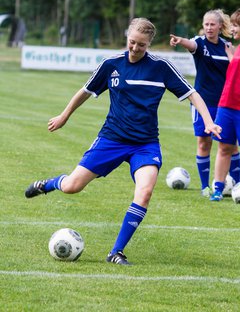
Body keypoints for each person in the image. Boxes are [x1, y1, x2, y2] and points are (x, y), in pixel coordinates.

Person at [25, 18, 222, 265]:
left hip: (145, 144)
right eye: (132, 42)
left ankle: (115, 252)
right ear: (126, 38)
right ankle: (50, 184)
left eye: (141, 44)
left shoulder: (161, 67)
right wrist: (64, 115)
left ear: (149, 43)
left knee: (145, 191)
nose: (135, 48)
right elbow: (85, 91)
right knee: (72, 186)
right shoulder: (111, 64)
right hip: (112, 139)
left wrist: (208, 121)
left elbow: (192, 94)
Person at [170, 9, 240, 197]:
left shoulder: (227, 46)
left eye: (212, 24)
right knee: (204, 143)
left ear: (219, 26)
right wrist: (180, 40)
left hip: (225, 104)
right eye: (206, 24)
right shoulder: (200, 43)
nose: (209, 28)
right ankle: (205, 187)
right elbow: (190, 44)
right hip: (202, 102)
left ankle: (237, 185)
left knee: (230, 146)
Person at [211, 8, 240, 201]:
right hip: (226, 105)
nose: (233, 29)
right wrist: (231, 58)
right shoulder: (237, 48)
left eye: (237, 25)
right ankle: (218, 189)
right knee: (224, 148)